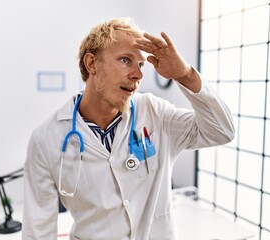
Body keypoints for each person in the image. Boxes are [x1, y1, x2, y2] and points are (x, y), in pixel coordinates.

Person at [22, 17, 234, 240]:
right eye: (125, 60)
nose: (138, 74)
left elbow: (222, 130)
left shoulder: (155, 113)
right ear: (91, 64)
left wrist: (185, 75)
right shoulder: (46, 139)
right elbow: (38, 231)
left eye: (141, 64)